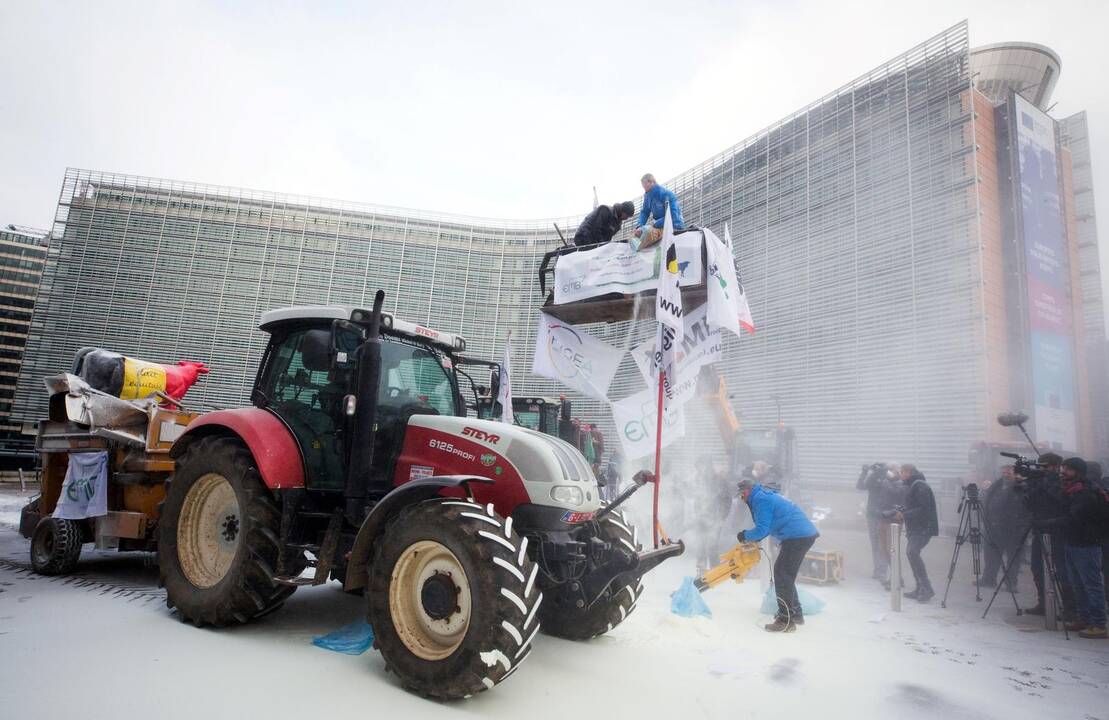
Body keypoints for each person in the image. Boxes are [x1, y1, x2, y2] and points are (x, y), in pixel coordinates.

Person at [737, 478, 819, 632]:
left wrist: (744, 535)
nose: (741, 499)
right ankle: (795, 614)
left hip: (798, 536)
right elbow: (769, 524)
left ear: (747, 491)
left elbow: (762, 529)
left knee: (782, 574)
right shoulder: (762, 495)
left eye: (742, 495)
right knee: (785, 574)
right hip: (800, 535)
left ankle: (785, 620)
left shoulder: (760, 499)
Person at [1045, 457, 1108, 639]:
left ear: (1078, 472)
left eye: (1068, 469)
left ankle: (1098, 624)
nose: (1063, 472)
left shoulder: (1086, 493)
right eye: (1063, 468)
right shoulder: (1072, 490)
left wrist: (1049, 523)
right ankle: (1084, 618)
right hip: (1073, 542)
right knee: (1077, 584)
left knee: (1091, 584)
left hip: (1086, 544)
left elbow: (1073, 518)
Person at [1026, 452, 1078, 619]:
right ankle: (1043, 603)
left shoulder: (1061, 482)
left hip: (1057, 532)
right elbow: (1029, 501)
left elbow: (1059, 500)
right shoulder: (1040, 481)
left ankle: (1071, 609)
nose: (1043, 469)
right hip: (1040, 529)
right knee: (1037, 567)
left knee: (1062, 571)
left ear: (1055, 467)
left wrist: (1047, 481)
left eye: (1046, 466)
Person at [980, 464, 1031, 592]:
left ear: (1015, 473)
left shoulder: (1022, 487)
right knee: (991, 556)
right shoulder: (996, 486)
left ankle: (1011, 583)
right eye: (1003, 472)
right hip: (995, 527)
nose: (1005, 475)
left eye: (1008, 473)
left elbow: (1026, 507)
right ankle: (988, 579)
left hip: (1015, 529)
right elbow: (987, 502)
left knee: (1014, 558)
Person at [892, 464, 938, 602]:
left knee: (912, 552)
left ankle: (927, 588)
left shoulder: (920, 486)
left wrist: (904, 515)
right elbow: (915, 506)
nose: (900, 474)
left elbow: (923, 509)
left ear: (908, 472)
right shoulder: (915, 485)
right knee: (911, 554)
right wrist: (903, 509)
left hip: (923, 528)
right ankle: (920, 587)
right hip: (917, 527)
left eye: (902, 472)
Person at [857, 462, 902, 581]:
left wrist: (885, 476)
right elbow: (861, 486)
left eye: (892, 469)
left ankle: (884, 571)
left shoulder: (893, 480)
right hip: (872, 514)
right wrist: (865, 473)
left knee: (884, 545)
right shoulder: (875, 477)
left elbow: (895, 489)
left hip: (884, 516)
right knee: (875, 544)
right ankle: (878, 570)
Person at [633, 173, 685, 249]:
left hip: (673, 226)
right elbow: (644, 212)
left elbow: (672, 216)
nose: (645, 190)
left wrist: (654, 224)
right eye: (644, 188)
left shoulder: (667, 194)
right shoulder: (647, 196)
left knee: (645, 237)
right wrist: (639, 226)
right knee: (635, 236)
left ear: (651, 182)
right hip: (658, 227)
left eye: (646, 187)